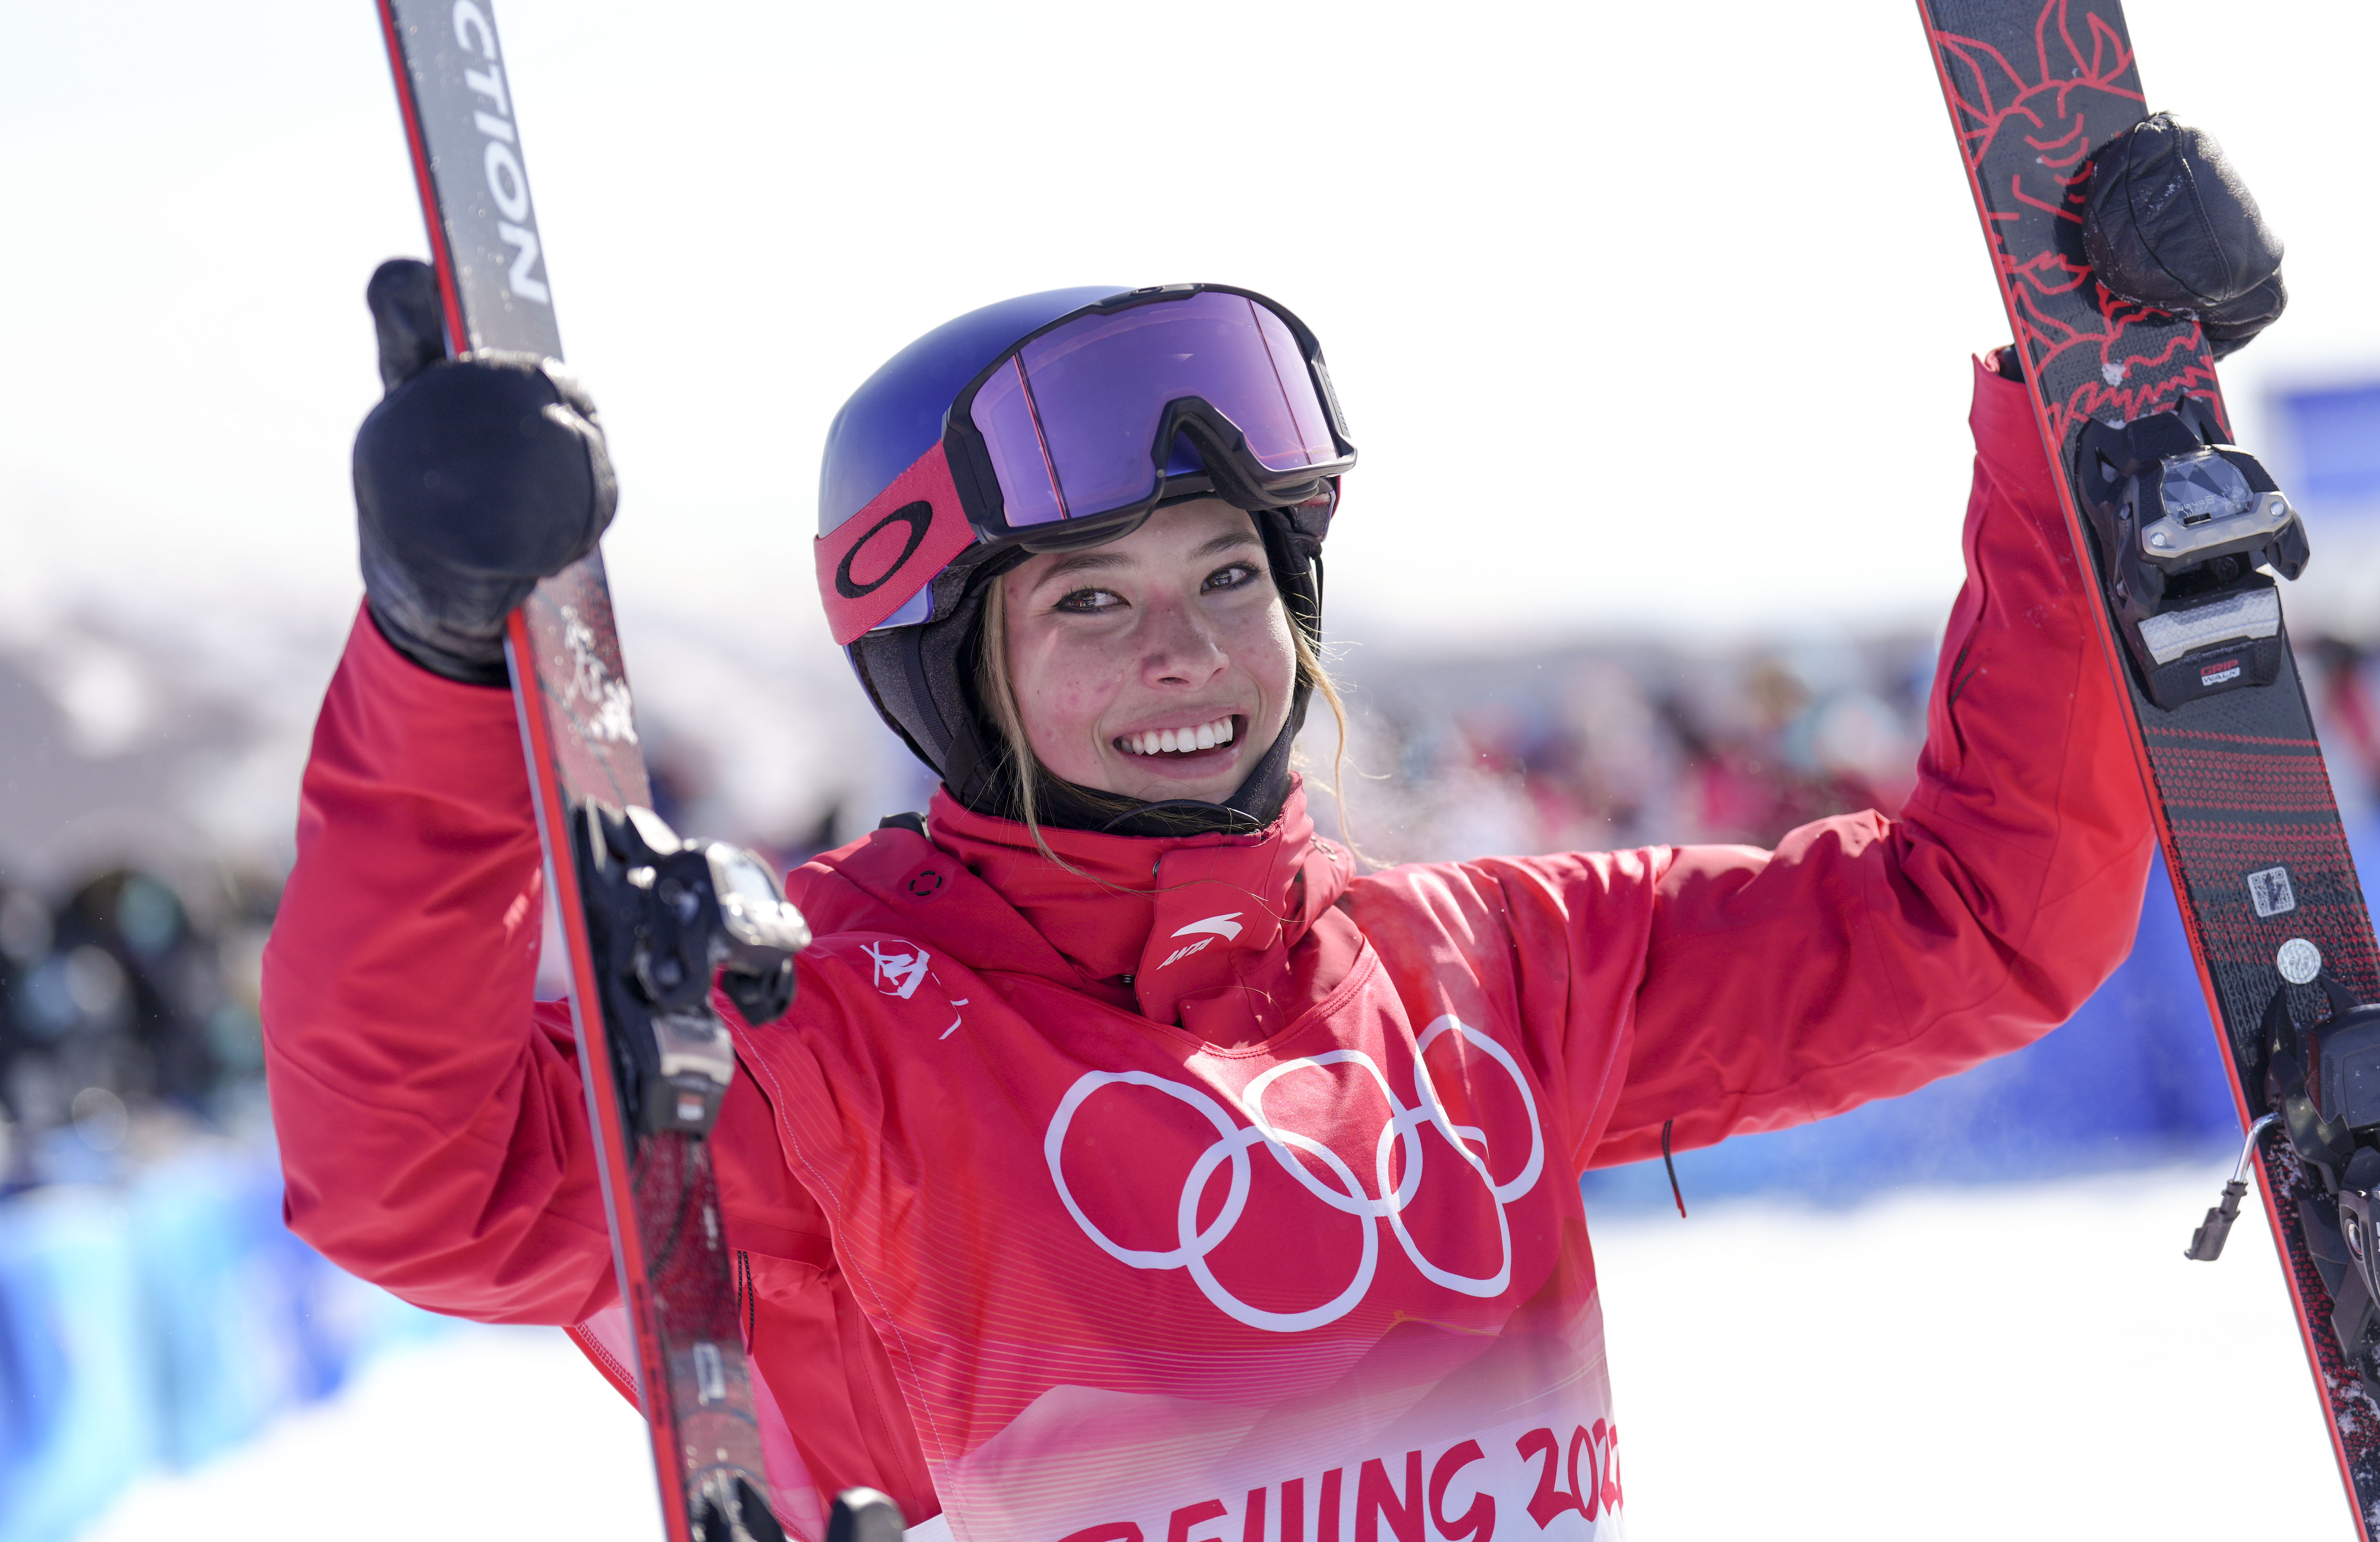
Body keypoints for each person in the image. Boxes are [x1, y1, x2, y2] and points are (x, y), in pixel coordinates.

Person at [262, 126, 2282, 1542]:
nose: (1187, 650)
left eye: (1228, 573)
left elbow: (1979, 915)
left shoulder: (1487, 969)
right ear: (947, 665)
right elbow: (416, 1177)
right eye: (1086, 600)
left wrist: (2074, 412)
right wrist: (444, 670)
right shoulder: (830, 1026)